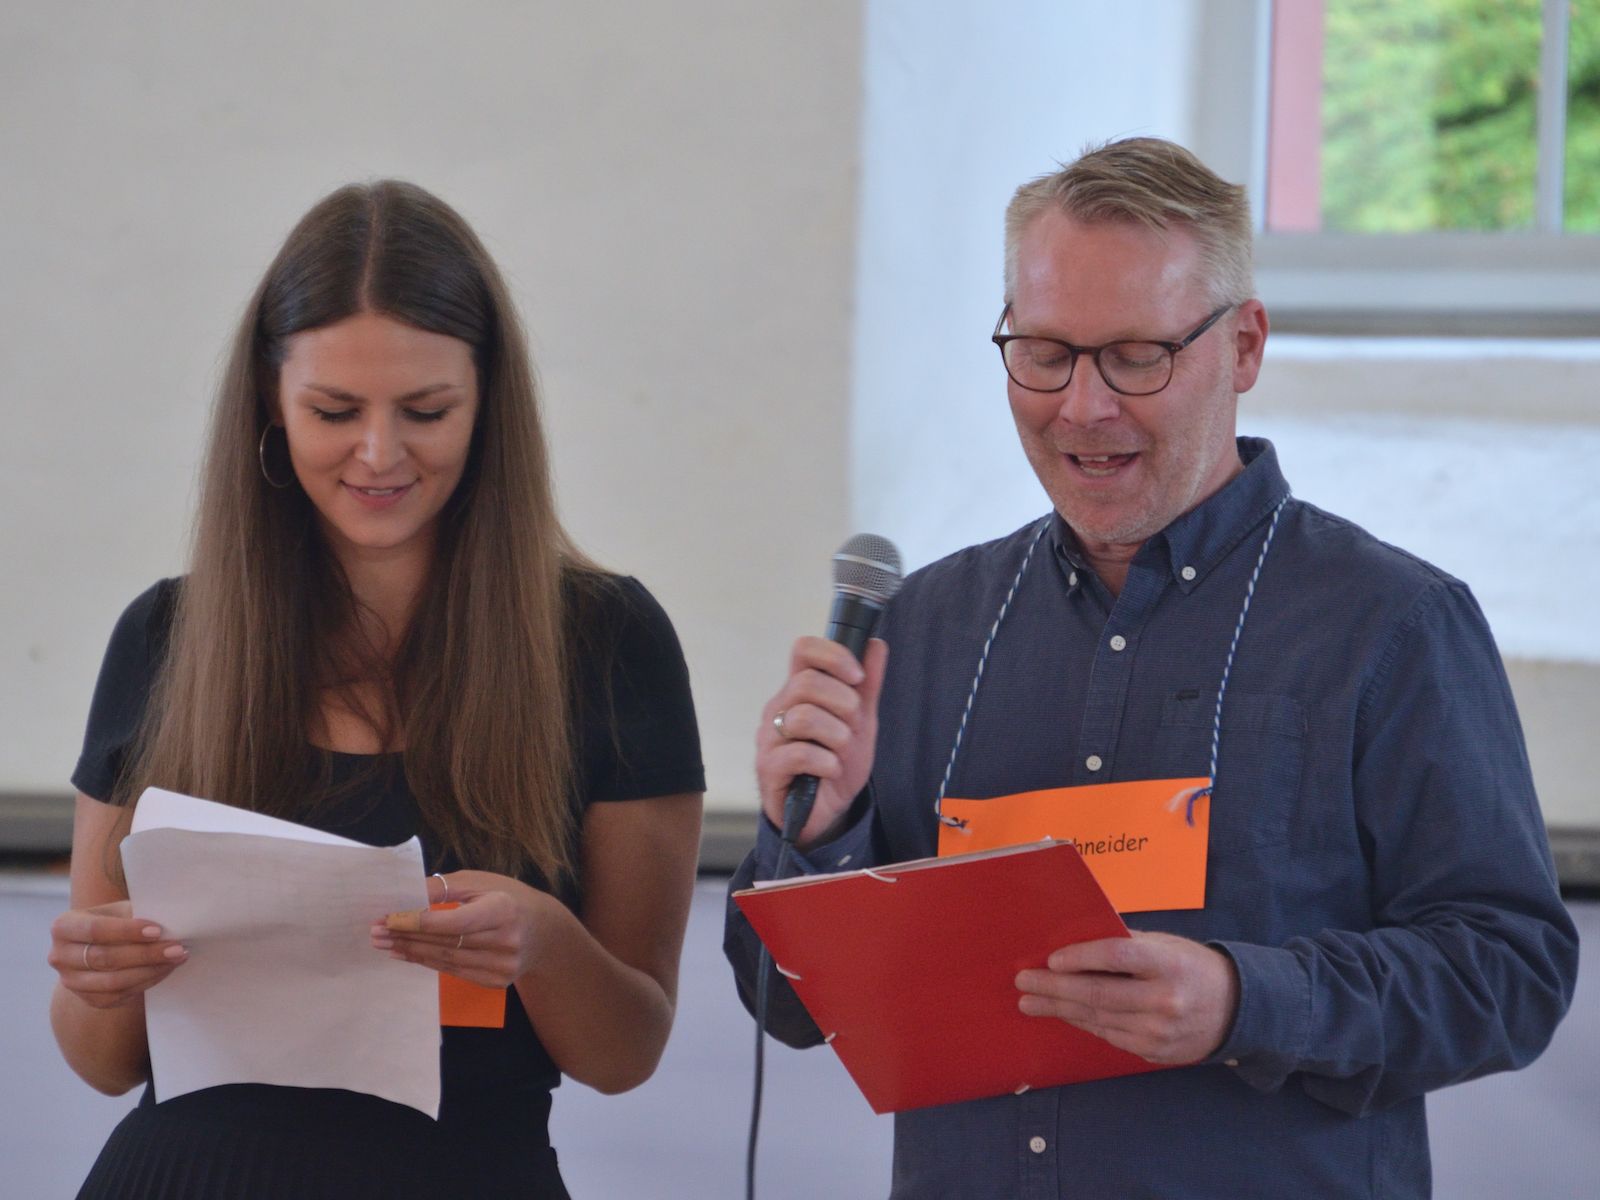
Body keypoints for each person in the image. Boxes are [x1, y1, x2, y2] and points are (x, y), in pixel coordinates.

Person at [724, 138, 1578, 1198]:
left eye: (1136, 356)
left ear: (1245, 346)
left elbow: (1511, 976)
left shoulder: (1388, 624)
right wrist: (818, 838)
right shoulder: (927, 626)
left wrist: (1244, 1002)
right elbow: (785, 1011)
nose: (1083, 406)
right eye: (1045, 352)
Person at [47, 180, 705, 1199]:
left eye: (427, 411)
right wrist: (101, 979)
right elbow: (102, 1063)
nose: (379, 453)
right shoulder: (167, 636)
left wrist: (542, 939)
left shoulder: (608, 640)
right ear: (270, 403)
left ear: (488, 406)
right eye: (334, 411)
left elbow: (625, 1054)